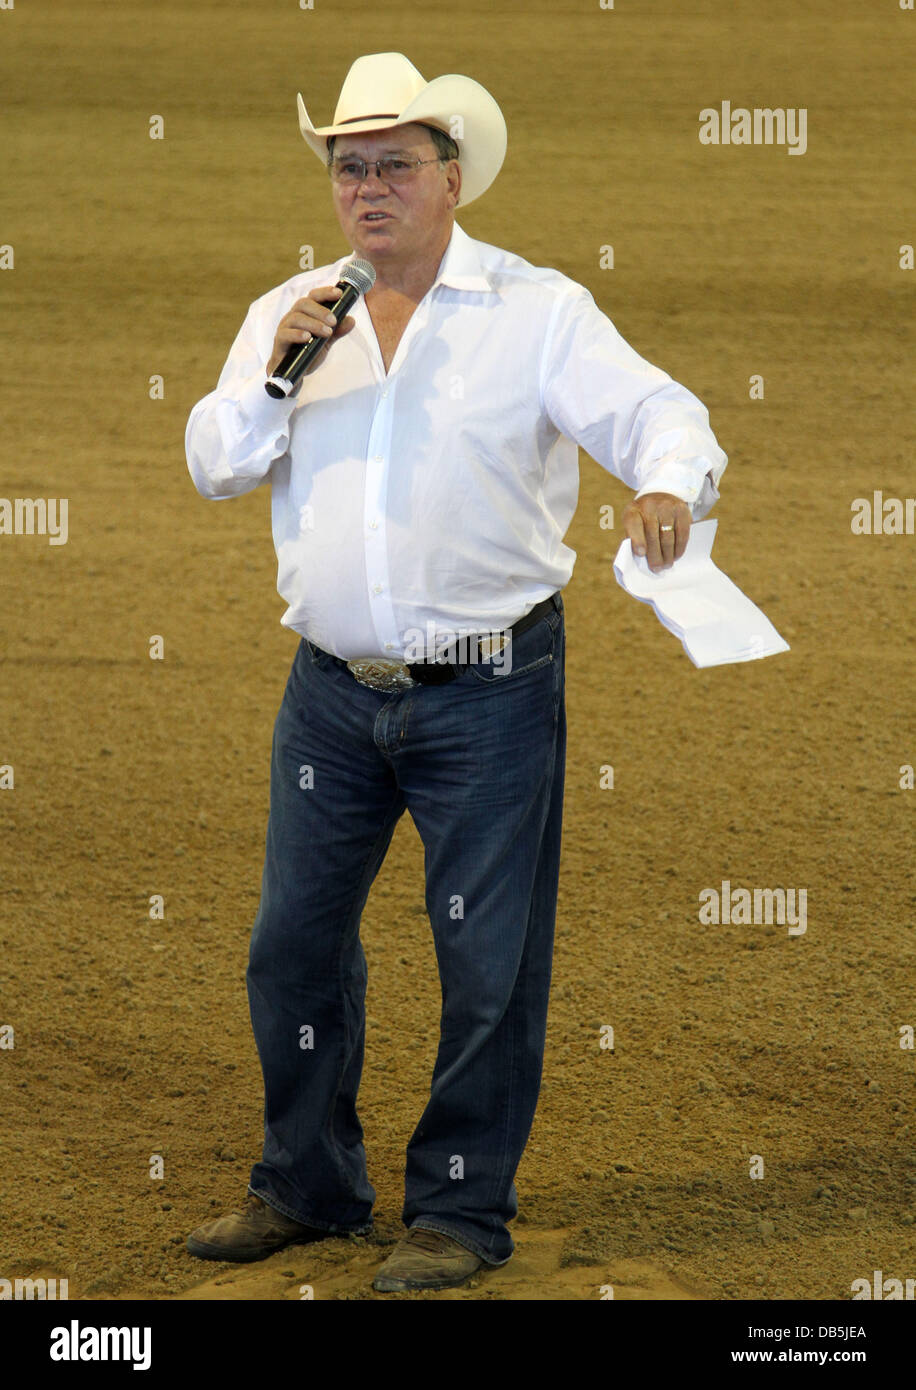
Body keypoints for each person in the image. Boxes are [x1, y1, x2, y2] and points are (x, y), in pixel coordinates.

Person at [183, 51, 727, 1293]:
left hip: (489, 692)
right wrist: (278, 372)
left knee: (487, 960)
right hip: (328, 693)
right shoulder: (295, 312)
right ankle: (307, 1185)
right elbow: (215, 460)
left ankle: (460, 1214)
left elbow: (660, 410)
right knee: (292, 948)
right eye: (347, 168)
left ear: (454, 177)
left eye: (394, 166)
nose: (367, 188)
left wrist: (660, 481)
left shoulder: (536, 312)